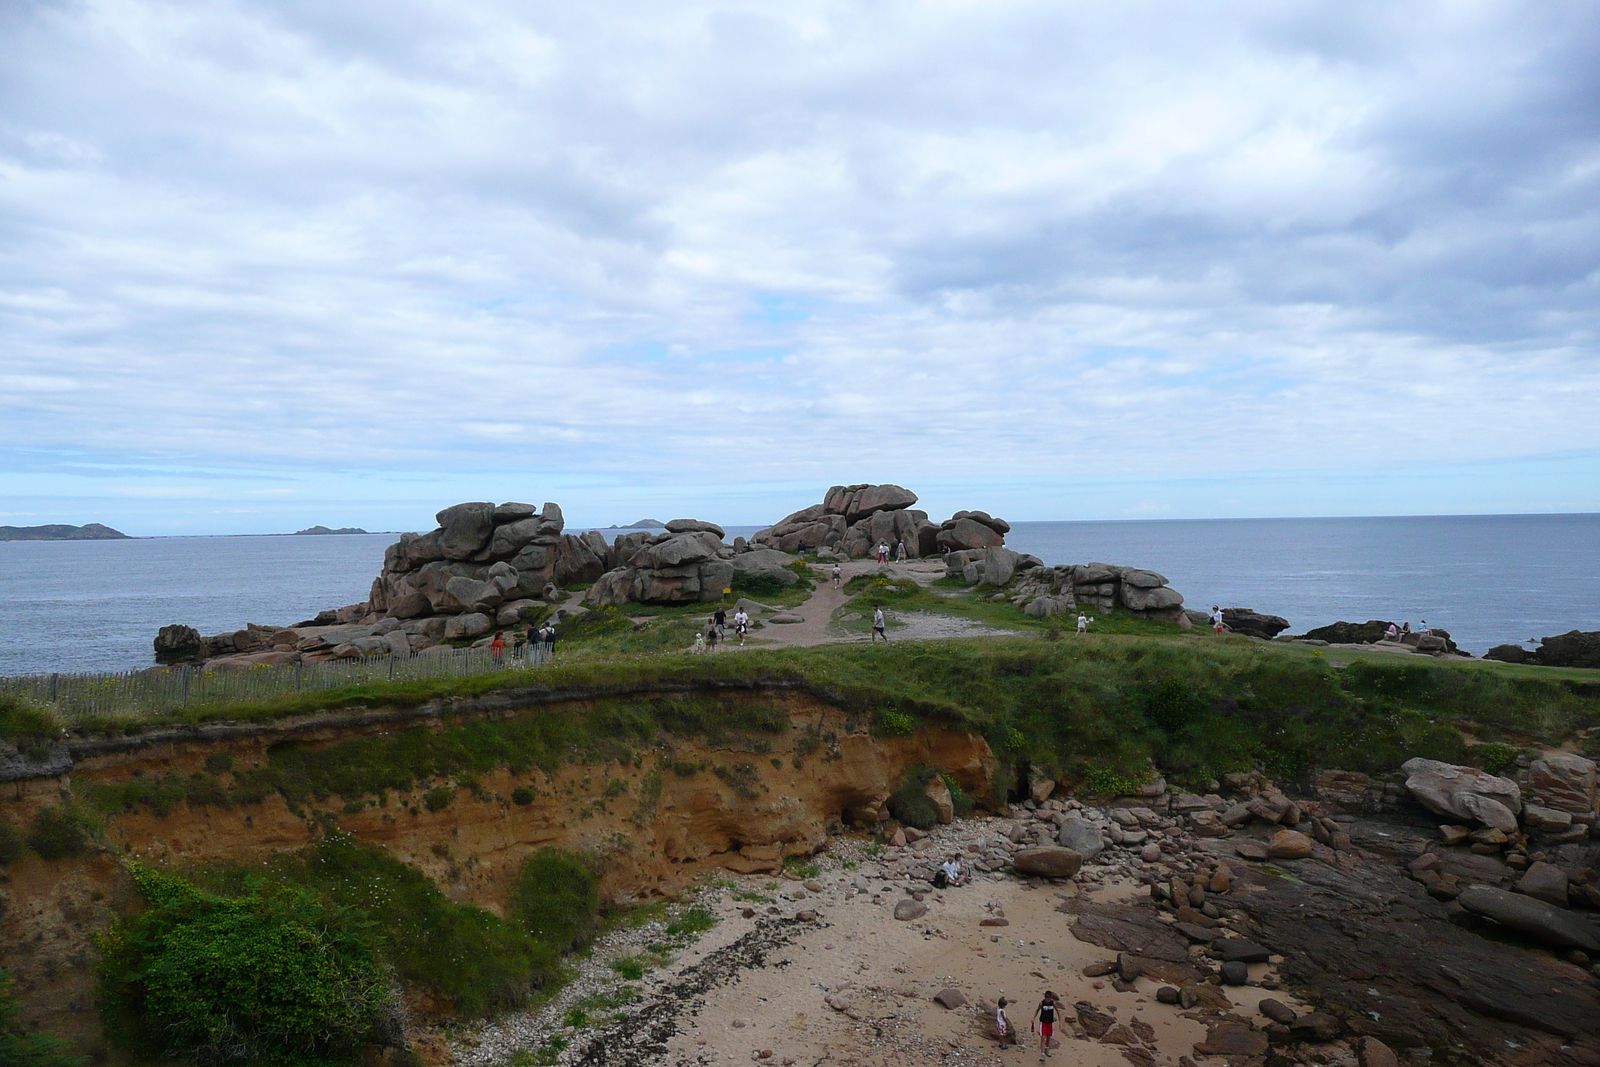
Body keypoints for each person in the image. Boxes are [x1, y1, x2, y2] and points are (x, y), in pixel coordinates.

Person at [1032, 991, 1059, 1060]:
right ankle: (1042, 1054)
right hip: (1043, 1022)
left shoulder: (1053, 1003)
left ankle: (1047, 1048)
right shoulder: (1041, 1003)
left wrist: (1060, 1022)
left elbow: (1058, 1012)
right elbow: (1037, 1010)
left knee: (1048, 1036)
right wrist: (1033, 1018)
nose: (1048, 1000)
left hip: (1050, 1022)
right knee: (1043, 1037)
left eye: (1049, 999)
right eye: (1047, 998)